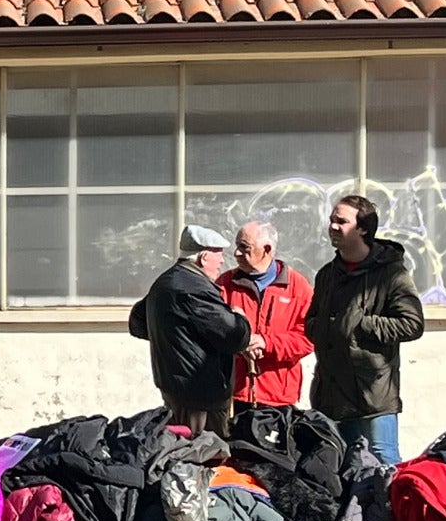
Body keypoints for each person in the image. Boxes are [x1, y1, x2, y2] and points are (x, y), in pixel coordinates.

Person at [306, 194, 425, 465]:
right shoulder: (327, 274)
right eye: (331, 220)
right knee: (342, 466)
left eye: (341, 221)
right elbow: (311, 320)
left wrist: (361, 324)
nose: (333, 226)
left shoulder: (391, 274)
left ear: (362, 228)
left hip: (373, 396)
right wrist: (324, 329)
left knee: (384, 463)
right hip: (331, 395)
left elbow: (413, 324)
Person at [129, 225, 251, 437]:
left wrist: (176, 336)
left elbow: (138, 322)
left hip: (175, 389)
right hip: (200, 396)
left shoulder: (166, 282)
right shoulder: (194, 289)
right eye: (218, 255)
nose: (222, 262)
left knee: (180, 450)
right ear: (204, 257)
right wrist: (240, 316)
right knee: (205, 454)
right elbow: (234, 337)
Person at [217, 221, 314, 409]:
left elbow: (308, 338)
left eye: (244, 248)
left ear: (266, 249)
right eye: (237, 246)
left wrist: (266, 343)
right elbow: (212, 328)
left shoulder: (297, 287)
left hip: (278, 397)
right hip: (233, 394)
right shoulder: (225, 284)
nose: (236, 253)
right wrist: (239, 343)